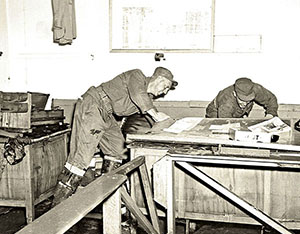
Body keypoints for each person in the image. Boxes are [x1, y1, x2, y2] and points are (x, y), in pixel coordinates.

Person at [52, 67, 178, 206]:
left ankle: (107, 202)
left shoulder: (148, 100)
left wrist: (166, 127)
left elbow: (151, 116)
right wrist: (156, 115)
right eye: (165, 86)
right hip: (93, 104)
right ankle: (57, 210)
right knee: (81, 158)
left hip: (107, 114)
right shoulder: (137, 76)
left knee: (118, 150)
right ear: (159, 79)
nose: (165, 92)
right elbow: (138, 95)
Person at [205, 77, 278, 118]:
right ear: (235, 93)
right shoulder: (226, 101)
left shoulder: (255, 89)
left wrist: (270, 114)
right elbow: (226, 123)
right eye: (242, 100)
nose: (245, 103)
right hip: (216, 112)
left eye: (248, 100)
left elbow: (271, 99)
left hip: (239, 113)